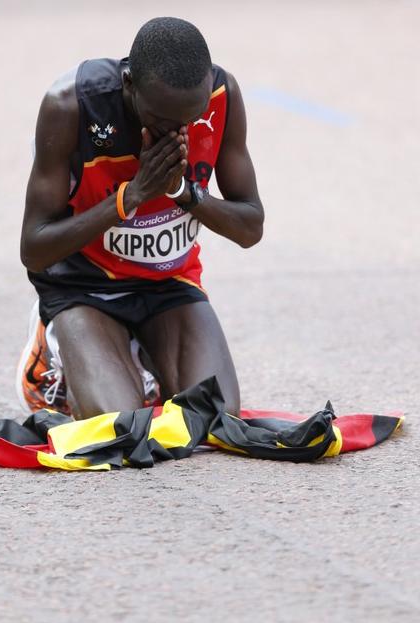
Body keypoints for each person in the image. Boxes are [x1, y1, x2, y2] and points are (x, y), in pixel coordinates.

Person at [17, 16, 264, 420]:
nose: (180, 130)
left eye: (192, 115)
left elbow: (250, 226)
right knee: (118, 425)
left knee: (215, 417)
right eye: (163, 119)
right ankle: (52, 347)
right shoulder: (70, 106)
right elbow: (35, 248)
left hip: (168, 282)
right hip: (84, 286)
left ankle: (133, 357)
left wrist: (183, 193)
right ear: (129, 83)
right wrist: (131, 196)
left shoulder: (223, 96)